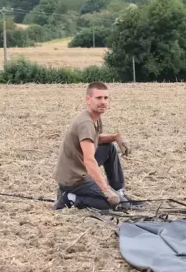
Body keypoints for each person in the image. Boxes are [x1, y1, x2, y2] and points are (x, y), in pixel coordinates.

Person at [52, 81, 133, 211]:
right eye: (98, 98)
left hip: (76, 169)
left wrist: (115, 137)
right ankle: (70, 198)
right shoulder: (86, 124)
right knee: (119, 205)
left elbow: (93, 140)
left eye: (106, 98)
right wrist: (105, 190)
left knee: (109, 148)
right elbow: (89, 160)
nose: (103, 102)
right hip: (74, 178)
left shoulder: (94, 117)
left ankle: (119, 190)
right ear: (88, 100)